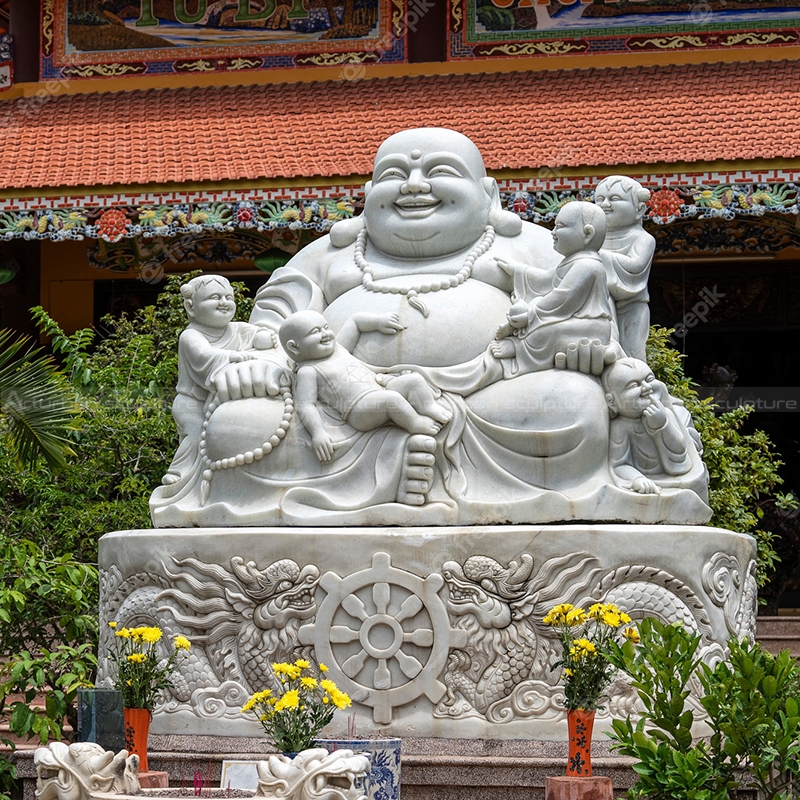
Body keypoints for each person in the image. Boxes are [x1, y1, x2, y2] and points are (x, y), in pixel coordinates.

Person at [279, 310, 450, 461]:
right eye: (315, 332)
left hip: (379, 388)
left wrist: (378, 321)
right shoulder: (308, 371)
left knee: (414, 380)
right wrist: (318, 433)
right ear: (294, 347)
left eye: (325, 327)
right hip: (359, 409)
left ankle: (429, 406)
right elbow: (306, 405)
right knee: (391, 400)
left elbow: (355, 321)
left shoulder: (338, 348)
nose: (326, 334)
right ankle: (416, 423)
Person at [161, 275, 276, 486]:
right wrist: (229, 357)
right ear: (191, 306)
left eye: (228, 297)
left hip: (223, 401)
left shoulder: (238, 329)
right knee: (196, 436)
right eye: (215, 297)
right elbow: (203, 357)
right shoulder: (190, 336)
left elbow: (258, 335)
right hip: (192, 401)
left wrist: (266, 337)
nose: (224, 302)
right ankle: (180, 474)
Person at [491, 201, 621, 377]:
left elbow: (563, 297)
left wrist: (531, 314)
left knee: (551, 330)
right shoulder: (573, 261)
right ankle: (518, 328)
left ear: (587, 233)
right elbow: (547, 280)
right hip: (577, 321)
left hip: (592, 325)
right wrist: (518, 270)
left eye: (560, 226)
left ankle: (518, 347)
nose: (553, 232)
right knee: (538, 306)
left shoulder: (589, 265)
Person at [602, 357, 693, 494]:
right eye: (633, 385)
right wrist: (637, 478)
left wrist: (662, 425)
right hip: (649, 481)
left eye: (649, 379)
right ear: (612, 401)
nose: (647, 387)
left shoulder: (665, 414)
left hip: (671, 479)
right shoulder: (620, 426)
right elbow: (619, 464)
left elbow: (680, 454)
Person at [595, 176, 655, 361]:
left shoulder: (643, 239)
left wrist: (593, 255)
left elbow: (634, 268)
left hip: (632, 308)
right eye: (599, 199)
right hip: (601, 303)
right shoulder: (595, 237)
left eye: (614, 199)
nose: (605, 204)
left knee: (634, 354)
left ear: (639, 210)